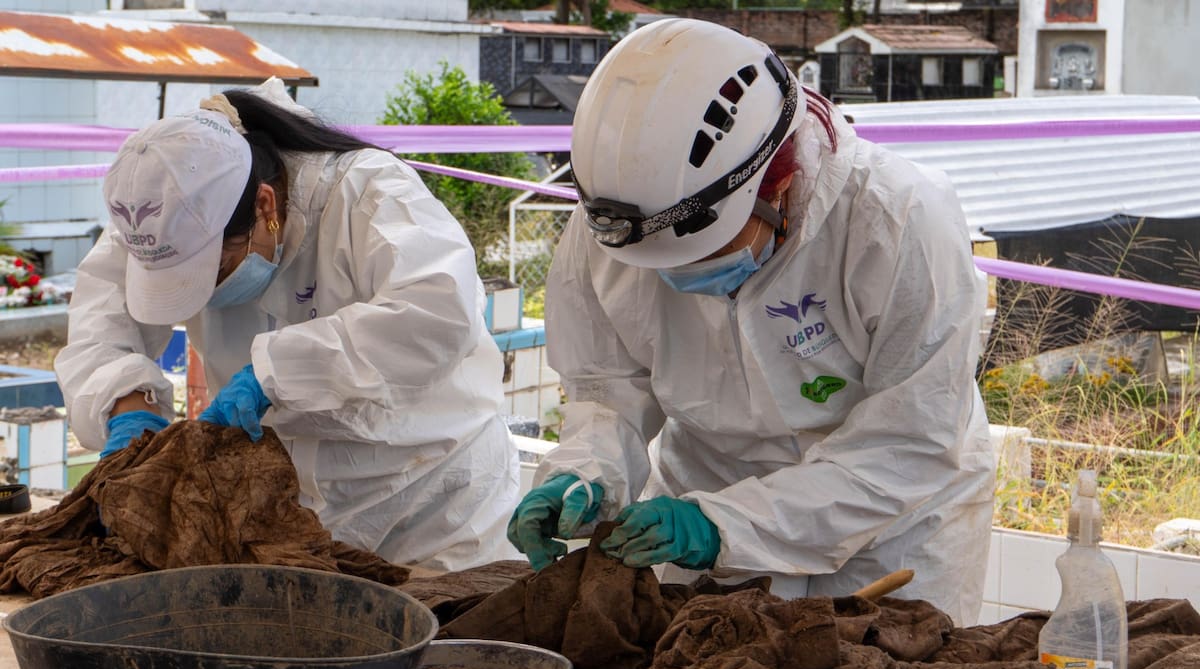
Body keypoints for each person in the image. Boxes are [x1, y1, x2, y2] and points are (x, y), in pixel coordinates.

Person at [507, 18, 994, 625]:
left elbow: (909, 440)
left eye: (701, 250)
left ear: (780, 182)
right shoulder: (619, 222)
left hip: (892, 522)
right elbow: (608, 391)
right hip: (706, 492)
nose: (678, 275)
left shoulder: (897, 219)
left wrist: (726, 524)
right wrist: (583, 474)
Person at [55, 78, 520, 571]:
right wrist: (127, 406)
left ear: (265, 207)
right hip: (286, 515)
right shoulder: (158, 213)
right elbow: (99, 322)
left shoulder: (363, 191)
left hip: (430, 505)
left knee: (439, 637)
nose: (205, 295)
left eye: (215, 269)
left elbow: (438, 312)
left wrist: (276, 374)